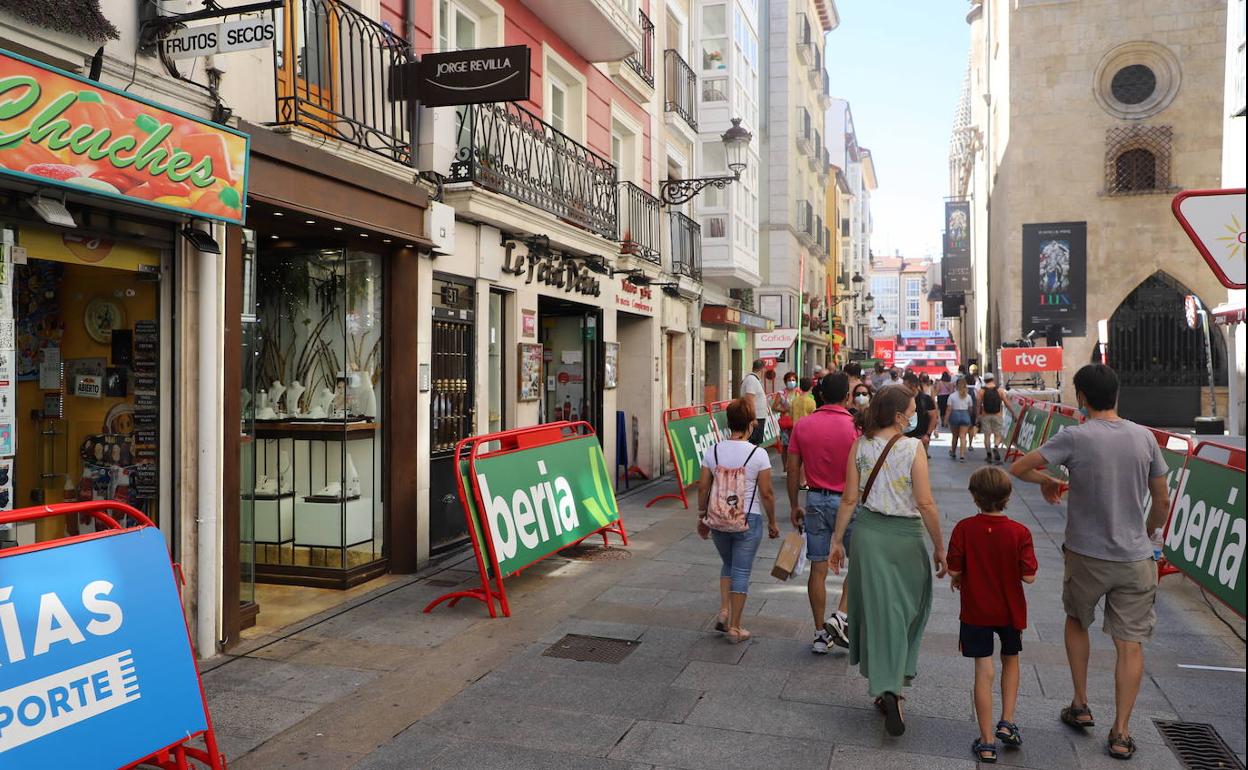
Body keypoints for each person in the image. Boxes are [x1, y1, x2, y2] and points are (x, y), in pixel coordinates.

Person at [1010, 364, 1171, 761]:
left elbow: (1019, 467)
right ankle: (1121, 731)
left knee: (1077, 621)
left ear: (1081, 397)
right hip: (1135, 557)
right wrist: (1149, 533)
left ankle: (1080, 703)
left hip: (1085, 554)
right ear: (1116, 395)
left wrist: (1049, 481)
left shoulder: (1074, 437)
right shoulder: (1144, 438)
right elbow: (1163, 499)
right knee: (1129, 643)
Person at [830, 385, 947, 736]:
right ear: (899, 416)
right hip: (905, 539)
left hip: (867, 534)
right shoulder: (913, 447)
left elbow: (849, 499)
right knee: (909, 609)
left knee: (878, 612)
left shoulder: (860, 445)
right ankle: (893, 683)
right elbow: (925, 503)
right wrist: (940, 546)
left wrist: (837, 540)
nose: (914, 414)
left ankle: (887, 684)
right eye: (911, 409)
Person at [947, 467, 1038, 763]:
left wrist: (959, 577)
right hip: (1010, 610)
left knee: (983, 672)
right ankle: (1006, 721)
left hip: (975, 611)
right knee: (1011, 659)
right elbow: (1029, 577)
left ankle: (986, 742)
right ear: (1008, 496)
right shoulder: (1020, 532)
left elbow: (954, 569)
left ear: (974, 497)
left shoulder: (963, 528)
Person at [696, 398, 780, 644]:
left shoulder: (713, 450)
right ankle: (735, 626)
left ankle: (724, 611)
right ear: (752, 423)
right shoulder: (759, 454)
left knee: (728, 564)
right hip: (748, 520)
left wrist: (702, 516)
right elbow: (767, 493)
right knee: (741, 570)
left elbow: (703, 488)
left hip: (718, 520)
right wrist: (773, 522)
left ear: (728, 423)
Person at [787, 372, 858, 653]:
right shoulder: (855, 427)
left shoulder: (803, 425)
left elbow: (793, 469)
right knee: (859, 563)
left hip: (815, 498)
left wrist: (794, 504)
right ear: (846, 397)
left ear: (820, 395)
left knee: (817, 568)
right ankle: (840, 616)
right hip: (847, 502)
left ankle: (819, 633)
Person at [977, 373, 1016, 464]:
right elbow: (1006, 403)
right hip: (997, 415)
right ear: (993, 379)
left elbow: (978, 405)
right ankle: (996, 446)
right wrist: (1013, 413)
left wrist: (977, 416)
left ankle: (989, 454)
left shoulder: (981, 391)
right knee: (997, 434)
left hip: (985, 415)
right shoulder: (1000, 390)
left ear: (985, 380)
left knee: (987, 436)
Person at [903, 372, 938, 451]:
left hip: (921, 437)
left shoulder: (925, 399)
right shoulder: (902, 399)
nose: (903, 387)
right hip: (905, 437)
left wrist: (928, 434)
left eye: (905, 385)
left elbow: (933, 417)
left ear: (912, 386)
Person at [946, 377, 975, 461]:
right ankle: (962, 455)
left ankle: (953, 452)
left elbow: (949, 409)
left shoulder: (952, 396)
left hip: (954, 415)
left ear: (956, 385)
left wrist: (946, 419)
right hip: (965, 414)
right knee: (963, 436)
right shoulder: (968, 396)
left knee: (955, 436)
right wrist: (969, 416)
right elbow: (970, 409)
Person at [740, 359, 768, 444]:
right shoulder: (751, 380)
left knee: (756, 442)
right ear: (762, 369)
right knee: (753, 443)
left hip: (759, 417)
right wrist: (753, 418)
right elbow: (749, 399)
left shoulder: (755, 380)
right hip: (756, 418)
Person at [777, 371, 799, 468]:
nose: (791, 382)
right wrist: (783, 409)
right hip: (785, 423)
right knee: (785, 446)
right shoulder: (781, 393)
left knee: (794, 446)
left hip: (796, 422)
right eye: (789, 380)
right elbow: (774, 407)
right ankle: (785, 467)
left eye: (793, 380)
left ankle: (793, 466)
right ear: (785, 382)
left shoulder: (799, 393)